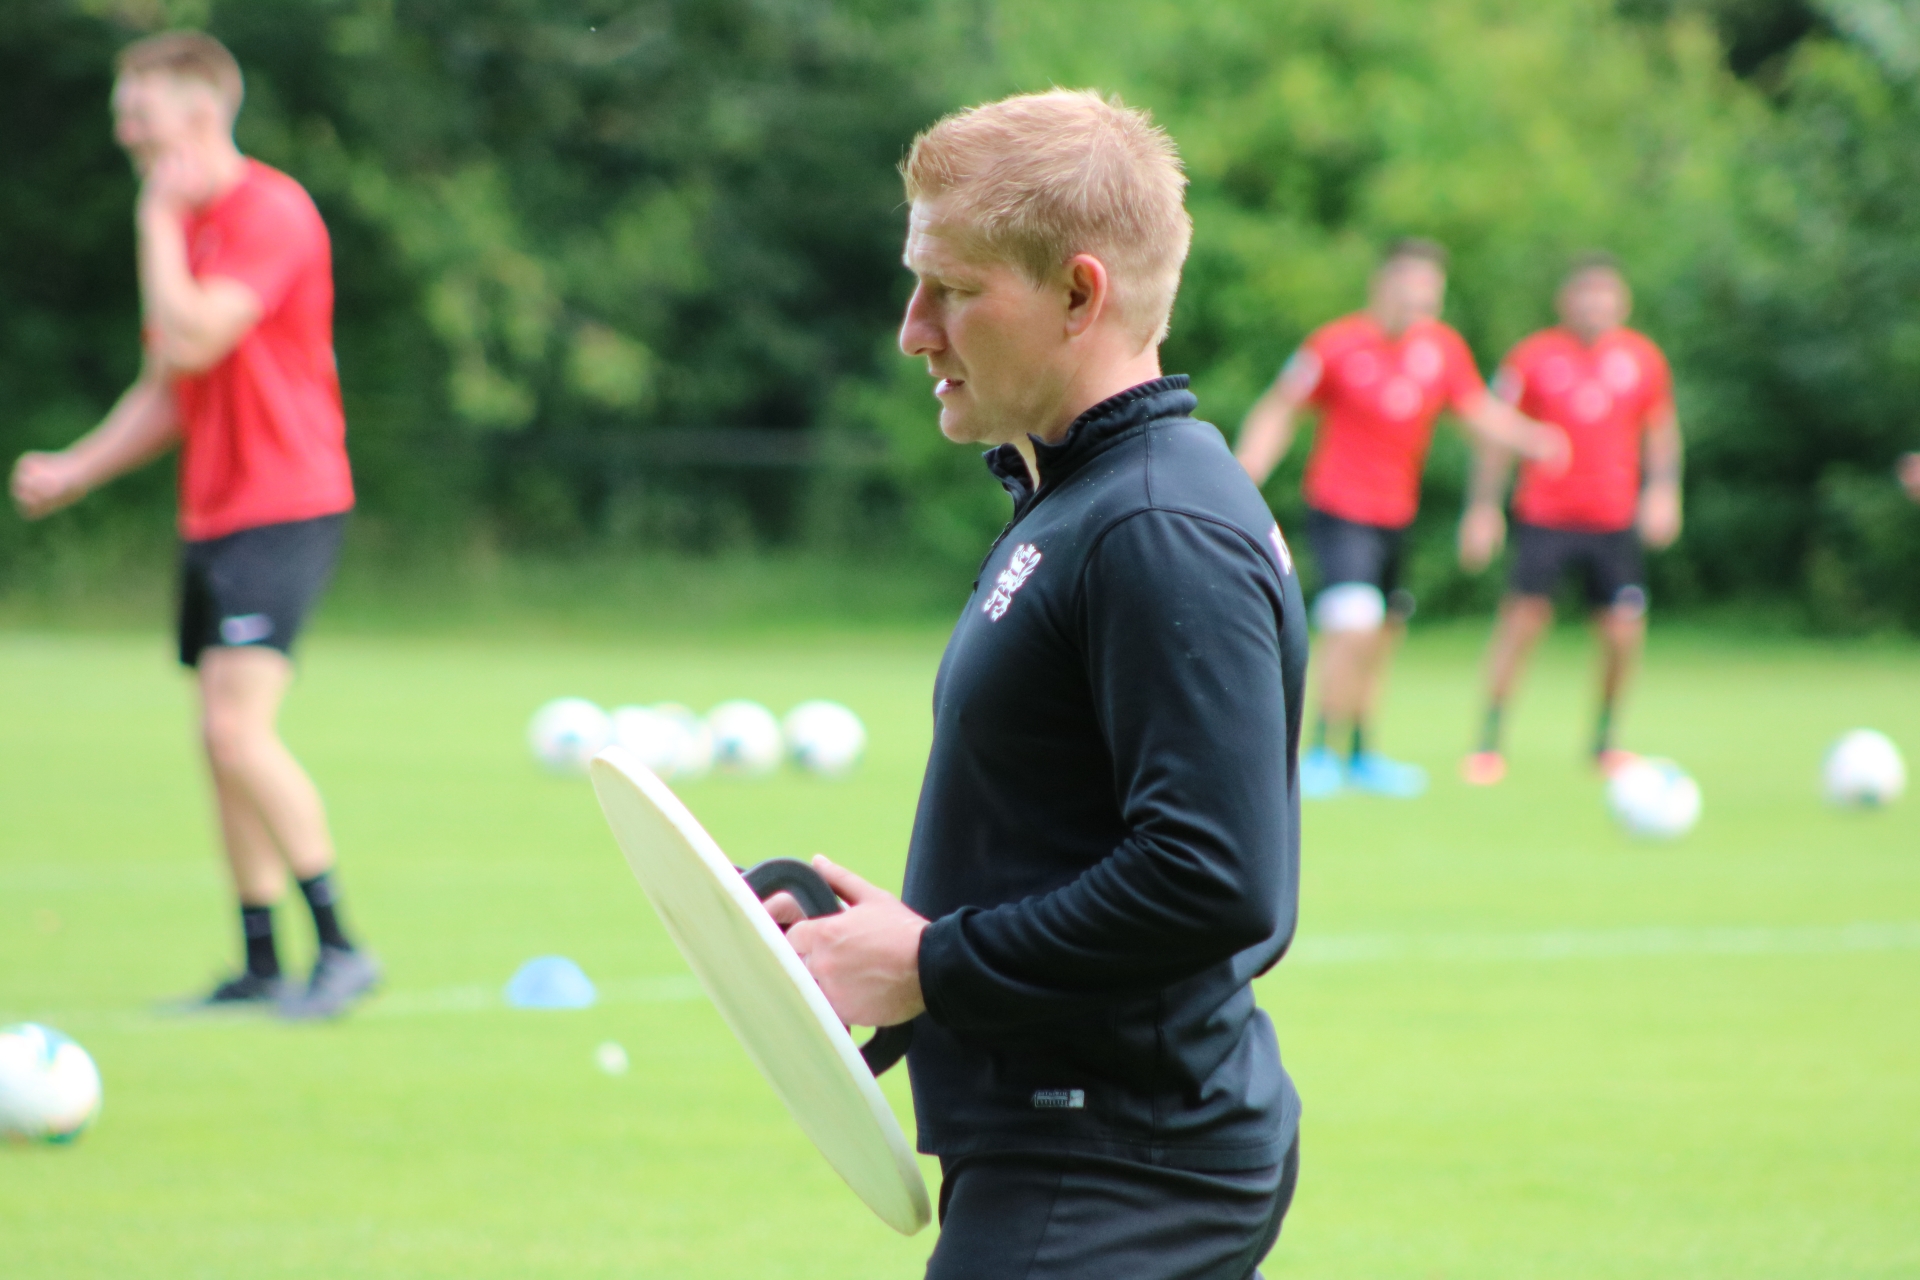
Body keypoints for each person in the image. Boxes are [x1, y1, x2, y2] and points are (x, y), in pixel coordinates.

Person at [768, 90, 1304, 1278]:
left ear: (1078, 294)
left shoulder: (1155, 526)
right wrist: (897, 945)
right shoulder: (1084, 501)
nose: (914, 331)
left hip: (1115, 1167)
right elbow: (1074, 837)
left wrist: (935, 962)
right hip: (1077, 1146)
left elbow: (1214, 876)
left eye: (952, 289)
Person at [8, 32, 376, 1018]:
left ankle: (342, 948)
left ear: (202, 114)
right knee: (217, 741)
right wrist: (77, 468)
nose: (125, 130)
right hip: (215, 510)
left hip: (285, 503)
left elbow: (197, 332)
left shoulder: (267, 212)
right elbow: (170, 387)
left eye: (141, 112)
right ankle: (260, 962)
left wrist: (156, 222)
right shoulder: (194, 227)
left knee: (235, 729)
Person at [1235, 241, 1567, 799]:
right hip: (1340, 510)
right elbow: (1281, 406)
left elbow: (1479, 413)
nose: (1421, 306)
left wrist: (1532, 438)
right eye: (1412, 293)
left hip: (1397, 516)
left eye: (1431, 297)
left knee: (1384, 635)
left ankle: (1362, 752)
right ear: (1383, 286)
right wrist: (1249, 467)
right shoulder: (1337, 344)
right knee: (1354, 623)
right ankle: (1316, 753)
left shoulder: (1441, 350)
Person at [1457, 254, 1682, 785]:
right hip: (1547, 516)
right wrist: (1483, 508)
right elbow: (1497, 436)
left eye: (1605, 295)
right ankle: (1489, 741)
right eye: (1585, 294)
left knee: (1623, 631)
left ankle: (1605, 741)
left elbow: (1660, 430)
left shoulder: (1642, 359)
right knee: (1522, 623)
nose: (1594, 305)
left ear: (1622, 302)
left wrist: (1664, 492)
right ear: (1566, 301)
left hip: (1613, 520)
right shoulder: (1533, 357)